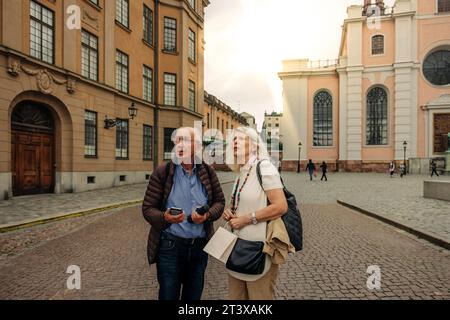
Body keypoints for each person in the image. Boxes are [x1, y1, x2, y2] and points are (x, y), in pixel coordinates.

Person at [142, 127, 225, 300]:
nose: (179, 145)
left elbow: (220, 202)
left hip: (199, 247)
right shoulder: (163, 172)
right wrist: (164, 217)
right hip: (170, 247)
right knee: (168, 295)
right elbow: (148, 208)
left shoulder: (208, 172)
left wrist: (207, 215)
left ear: (197, 147)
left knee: (193, 297)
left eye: (185, 140)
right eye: (177, 141)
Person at [222, 127, 288, 300]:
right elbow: (243, 203)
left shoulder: (265, 168)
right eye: (233, 140)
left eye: (241, 139)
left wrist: (245, 219)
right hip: (237, 247)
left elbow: (281, 206)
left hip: (259, 248)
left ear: (254, 146)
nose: (235, 142)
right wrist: (231, 213)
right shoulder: (241, 172)